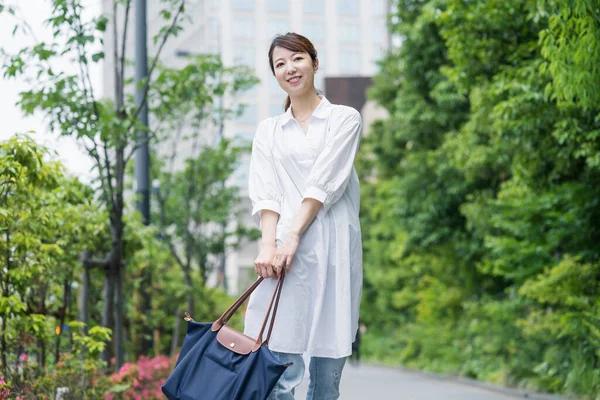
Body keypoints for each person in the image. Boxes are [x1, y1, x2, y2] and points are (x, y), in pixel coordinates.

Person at [243, 32, 363, 400]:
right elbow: (267, 193)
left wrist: (293, 234)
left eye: (296, 59)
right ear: (274, 75)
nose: (289, 69)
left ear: (313, 61)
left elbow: (325, 181)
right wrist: (269, 246)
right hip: (283, 258)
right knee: (279, 369)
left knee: (326, 377)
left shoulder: (344, 119)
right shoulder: (269, 131)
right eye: (280, 64)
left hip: (334, 249)